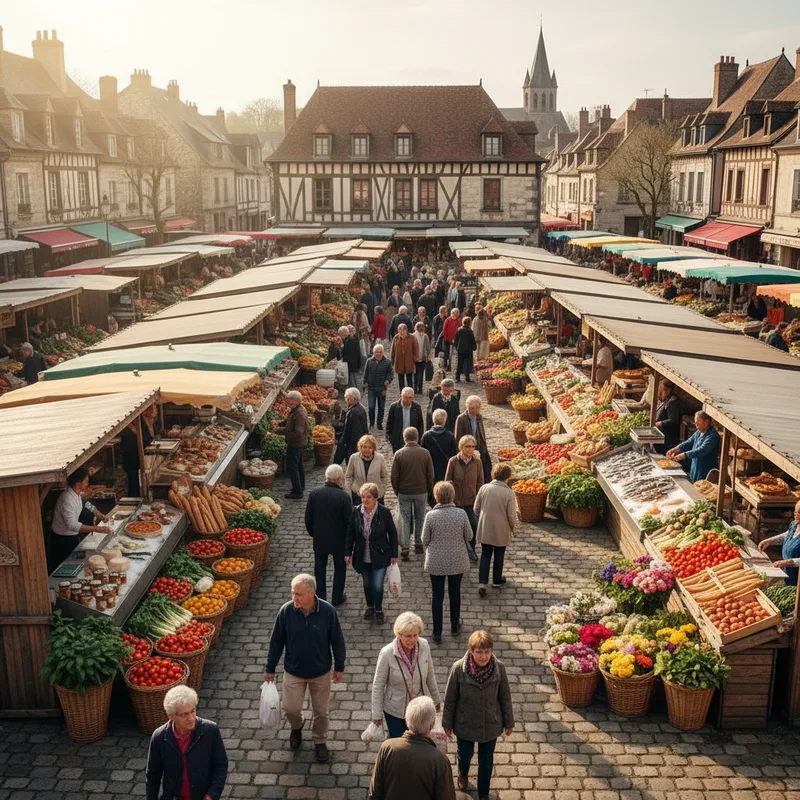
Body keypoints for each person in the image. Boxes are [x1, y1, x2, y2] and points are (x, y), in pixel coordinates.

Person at [264, 574, 346, 763]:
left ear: (312, 593)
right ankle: (297, 726)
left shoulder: (328, 612)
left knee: (321, 712)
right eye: (293, 593)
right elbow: (276, 641)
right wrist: (270, 668)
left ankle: (320, 741)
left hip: (320, 672)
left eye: (299, 594)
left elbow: (337, 641)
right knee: (290, 709)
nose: (295, 598)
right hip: (293, 671)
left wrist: (339, 666)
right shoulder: (286, 611)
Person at [443, 629, 514, 800]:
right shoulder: (458, 669)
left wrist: (509, 722)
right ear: (471, 651)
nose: (484, 656)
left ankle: (483, 793)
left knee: (486, 762)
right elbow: (450, 698)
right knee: (464, 755)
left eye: (487, 652)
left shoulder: (499, 668)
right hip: (465, 724)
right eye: (479, 652)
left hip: (490, 724)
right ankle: (463, 773)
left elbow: (505, 696)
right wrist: (447, 722)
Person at [145, 686, 228, 800]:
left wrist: (211, 795)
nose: (191, 718)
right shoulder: (159, 737)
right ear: (170, 716)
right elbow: (153, 775)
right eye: (184, 714)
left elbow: (221, 765)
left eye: (193, 711)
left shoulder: (210, 730)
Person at [370, 612, 442, 739]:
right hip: (395, 710)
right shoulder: (387, 654)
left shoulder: (424, 645)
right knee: (398, 743)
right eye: (408, 636)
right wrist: (376, 715)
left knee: (418, 742)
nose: (412, 640)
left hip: (418, 709)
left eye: (415, 635)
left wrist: (436, 700)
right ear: (399, 634)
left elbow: (430, 674)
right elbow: (378, 685)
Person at [368, 696, 455, 800]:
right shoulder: (440, 761)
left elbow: (375, 791)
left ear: (407, 719)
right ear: (432, 725)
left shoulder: (387, 747)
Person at [422, 481, 472, 643]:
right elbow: (469, 536)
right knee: (455, 592)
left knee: (437, 595)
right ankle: (455, 625)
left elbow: (424, 539)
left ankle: (437, 632)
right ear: (452, 495)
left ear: (436, 496)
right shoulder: (461, 514)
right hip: (457, 560)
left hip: (436, 561)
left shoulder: (430, 516)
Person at [344, 482, 399, 625]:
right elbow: (350, 533)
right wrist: (348, 552)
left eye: (368, 497)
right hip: (362, 555)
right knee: (367, 584)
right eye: (363, 497)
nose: (365, 500)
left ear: (375, 498)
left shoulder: (384, 512)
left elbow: (392, 534)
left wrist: (394, 554)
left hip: (380, 555)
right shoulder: (356, 512)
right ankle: (370, 606)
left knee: (377, 586)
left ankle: (379, 609)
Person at [305, 465, 353, 607]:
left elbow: (308, 518)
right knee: (340, 569)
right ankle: (337, 597)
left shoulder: (314, 493)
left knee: (319, 568)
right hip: (339, 541)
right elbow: (349, 522)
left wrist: (314, 534)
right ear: (339, 479)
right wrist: (349, 542)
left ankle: (321, 597)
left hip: (320, 539)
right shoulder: (344, 497)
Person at [50, 467, 109, 566]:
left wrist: (98, 513)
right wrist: (97, 529)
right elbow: (72, 525)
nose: (87, 484)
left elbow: (85, 503)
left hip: (71, 537)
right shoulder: (67, 499)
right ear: (78, 484)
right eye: (86, 481)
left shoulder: (75, 493)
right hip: (63, 541)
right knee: (68, 565)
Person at [391, 427, 435, 560]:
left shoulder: (399, 454)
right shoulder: (425, 453)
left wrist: (397, 491)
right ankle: (418, 544)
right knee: (419, 517)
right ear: (417, 437)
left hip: (404, 491)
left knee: (405, 519)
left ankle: (405, 547)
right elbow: (430, 474)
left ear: (404, 438)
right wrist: (429, 489)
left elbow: (394, 476)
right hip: (421, 491)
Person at [474, 463, 516, 596]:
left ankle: (482, 583)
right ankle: (497, 580)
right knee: (499, 554)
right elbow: (511, 515)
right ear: (507, 477)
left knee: (485, 554)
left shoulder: (484, 488)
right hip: (501, 529)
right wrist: (513, 528)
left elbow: (476, 508)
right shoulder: (509, 493)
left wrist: (482, 516)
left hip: (486, 527)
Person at [445, 435, 483, 562]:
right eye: (467, 446)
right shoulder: (453, 461)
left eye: (472, 446)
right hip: (457, 501)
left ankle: (471, 549)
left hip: (472, 501)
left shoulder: (477, 462)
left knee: (473, 526)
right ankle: (458, 551)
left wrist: (478, 498)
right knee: (457, 529)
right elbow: (447, 481)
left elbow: (480, 482)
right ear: (461, 447)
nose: (470, 449)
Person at [666, 411, 721, 483]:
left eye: (698, 421)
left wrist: (684, 455)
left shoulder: (713, 436)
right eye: (695, 421)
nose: (696, 424)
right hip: (695, 469)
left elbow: (702, 450)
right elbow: (688, 442)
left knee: (703, 487)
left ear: (706, 422)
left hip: (706, 471)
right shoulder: (699, 432)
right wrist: (675, 449)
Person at [759, 501, 800, 585]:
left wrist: (789, 562)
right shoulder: (794, 524)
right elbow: (788, 535)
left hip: (797, 577)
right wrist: (769, 541)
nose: (796, 515)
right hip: (787, 571)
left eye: (799, 513)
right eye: (795, 511)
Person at [120, 406, 158, 497]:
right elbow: (145, 439)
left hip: (140, 459)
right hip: (133, 460)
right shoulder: (136, 423)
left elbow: (152, 437)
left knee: (139, 483)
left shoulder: (148, 421)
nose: (156, 408)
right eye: (154, 406)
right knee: (134, 484)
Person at [455, 395, 491, 483]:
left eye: (477, 408)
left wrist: (484, 446)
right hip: (467, 448)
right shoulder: (461, 418)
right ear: (467, 407)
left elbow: (481, 432)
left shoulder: (479, 417)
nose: (475, 410)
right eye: (472, 408)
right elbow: (457, 436)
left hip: (479, 446)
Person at [422, 409, 459, 491]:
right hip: (445, 468)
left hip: (430, 468)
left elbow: (423, 454)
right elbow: (454, 454)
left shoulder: (426, 435)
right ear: (445, 420)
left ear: (433, 420)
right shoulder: (450, 435)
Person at [345, 434, 389, 503]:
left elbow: (385, 476)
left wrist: (381, 491)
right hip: (358, 495)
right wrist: (349, 491)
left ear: (373, 448)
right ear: (360, 447)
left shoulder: (380, 458)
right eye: (364, 447)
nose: (367, 450)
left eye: (370, 447)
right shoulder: (354, 458)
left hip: (375, 496)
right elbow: (348, 476)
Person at [333, 387, 369, 465]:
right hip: (355, 442)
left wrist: (344, 443)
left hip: (351, 445)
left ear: (353, 399)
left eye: (347, 398)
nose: (346, 400)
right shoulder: (360, 408)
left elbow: (354, 431)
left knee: (350, 465)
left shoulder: (353, 412)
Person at [363, 343, 394, 429]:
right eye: (377, 352)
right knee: (371, 406)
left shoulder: (387, 362)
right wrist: (365, 383)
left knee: (381, 407)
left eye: (380, 352)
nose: (378, 353)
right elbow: (366, 373)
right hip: (371, 388)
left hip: (382, 388)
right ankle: (372, 423)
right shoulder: (369, 361)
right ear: (374, 352)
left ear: (383, 352)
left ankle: (379, 423)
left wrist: (388, 380)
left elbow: (391, 374)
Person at [284, 391, 308, 499]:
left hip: (296, 444)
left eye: (288, 400)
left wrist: (285, 435)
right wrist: (281, 425)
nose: (286, 401)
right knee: (298, 465)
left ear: (294, 401)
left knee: (292, 467)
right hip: (298, 442)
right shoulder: (296, 410)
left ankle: (297, 491)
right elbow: (291, 423)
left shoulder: (299, 414)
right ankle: (301, 486)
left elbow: (298, 433)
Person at [385, 387, 424, 454]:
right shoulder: (394, 407)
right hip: (398, 439)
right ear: (401, 396)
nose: (407, 400)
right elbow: (389, 424)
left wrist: (418, 440)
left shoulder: (417, 407)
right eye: (405, 397)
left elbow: (420, 425)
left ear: (413, 397)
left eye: (410, 398)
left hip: (412, 440)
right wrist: (391, 439)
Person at [654, 380, 681, 454]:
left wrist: (661, 423)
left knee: (665, 453)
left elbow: (674, 419)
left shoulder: (672, 402)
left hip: (668, 436)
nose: (661, 391)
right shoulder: (664, 400)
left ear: (669, 390)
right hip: (660, 433)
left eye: (664, 389)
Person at [391, 323, 418, 391]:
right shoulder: (396, 338)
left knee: (409, 379)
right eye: (400, 330)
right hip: (399, 361)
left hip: (409, 360)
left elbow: (416, 348)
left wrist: (415, 358)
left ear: (406, 330)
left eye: (403, 330)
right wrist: (392, 360)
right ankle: (402, 393)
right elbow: (393, 350)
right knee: (401, 379)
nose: (402, 331)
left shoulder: (412, 337)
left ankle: (410, 392)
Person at [454, 316, 477, 383]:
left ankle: (457, 377)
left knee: (460, 363)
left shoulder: (459, 330)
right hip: (468, 350)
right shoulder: (470, 331)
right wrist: (474, 347)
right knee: (467, 364)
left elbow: (456, 339)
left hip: (460, 349)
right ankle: (467, 377)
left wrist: (456, 347)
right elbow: (472, 340)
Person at [411, 321, 432, 394]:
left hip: (422, 358)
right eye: (420, 327)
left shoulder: (425, 336)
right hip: (415, 358)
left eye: (422, 327)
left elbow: (428, 347)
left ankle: (418, 389)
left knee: (418, 374)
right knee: (417, 374)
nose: (421, 328)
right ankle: (417, 389)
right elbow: (428, 348)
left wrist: (427, 356)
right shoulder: (413, 336)